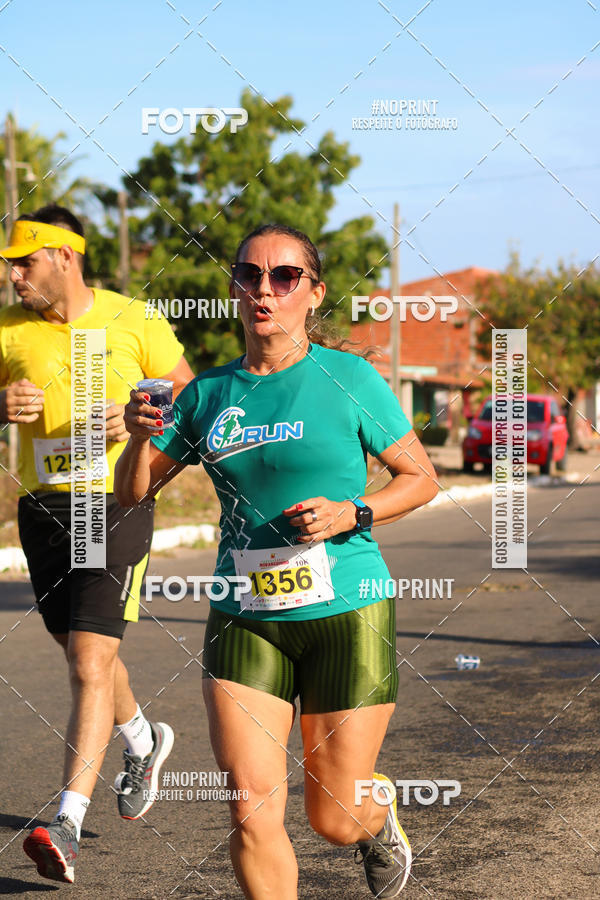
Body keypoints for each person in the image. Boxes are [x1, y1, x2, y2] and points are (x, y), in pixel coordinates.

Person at [115, 223, 438, 899]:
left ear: (312, 294)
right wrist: (138, 441)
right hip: (245, 617)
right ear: (234, 288)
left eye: (285, 276)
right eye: (249, 274)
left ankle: (377, 825)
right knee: (248, 806)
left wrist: (354, 511)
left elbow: (421, 478)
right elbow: (133, 495)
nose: (265, 288)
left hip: (346, 610)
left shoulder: (349, 378)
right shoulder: (207, 395)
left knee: (336, 816)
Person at [0, 204, 194, 884]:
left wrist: (144, 418)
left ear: (65, 257)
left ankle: (67, 823)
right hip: (42, 508)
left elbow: (191, 400)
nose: (14, 274)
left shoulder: (132, 318)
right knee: (89, 656)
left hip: (113, 501)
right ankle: (143, 742)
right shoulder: (7, 330)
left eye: (24, 262)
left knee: (88, 660)